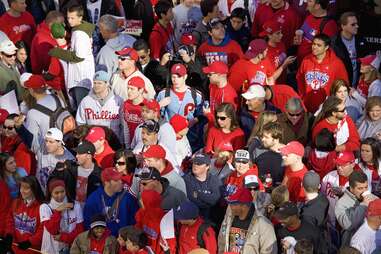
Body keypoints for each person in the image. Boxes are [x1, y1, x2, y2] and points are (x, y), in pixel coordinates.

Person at [297, 34, 349, 113]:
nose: (314, 47)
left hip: (327, 109)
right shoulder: (306, 60)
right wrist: (303, 98)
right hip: (307, 107)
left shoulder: (336, 63)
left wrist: (335, 104)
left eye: (319, 45)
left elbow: (344, 85)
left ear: (326, 47)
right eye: (314, 44)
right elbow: (300, 79)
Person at [218, 187, 277, 253]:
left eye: (234, 204)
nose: (230, 206)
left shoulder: (265, 225)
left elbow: (269, 251)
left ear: (244, 206)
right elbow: (221, 240)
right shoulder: (228, 218)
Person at [83, 167, 139, 236]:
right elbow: (88, 225)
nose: (121, 182)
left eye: (120, 179)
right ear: (107, 182)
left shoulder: (128, 198)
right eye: (116, 180)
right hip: (104, 242)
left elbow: (135, 222)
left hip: (123, 242)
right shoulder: (93, 199)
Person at [59, 5, 95, 110]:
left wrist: (58, 52)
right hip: (82, 75)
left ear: (80, 18)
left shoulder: (80, 34)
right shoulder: (78, 29)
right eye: (68, 17)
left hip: (80, 78)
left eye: (72, 18)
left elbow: (78, 56)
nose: (69, 21)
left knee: (82, 109)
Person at [49, 140, 102, 205]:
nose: (76, 156)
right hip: (70, 209)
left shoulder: (100, 175)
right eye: (76, 153)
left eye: (80, 153)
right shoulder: (68, 166)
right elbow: (52, 179)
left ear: (89, 156)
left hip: (90, 211)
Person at [40, 178, 84, 253]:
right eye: (56, 193)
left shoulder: (75, 205)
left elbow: (80, 229)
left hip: (71, 248)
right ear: (51, 193)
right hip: (51, 250)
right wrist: (58, 211)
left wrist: (64, 237)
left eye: (62, 191)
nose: (60, 195)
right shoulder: (45, 207)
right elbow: (52, 230)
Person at [76, 70, 123, 141]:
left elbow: (123, 125)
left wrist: (122, 142)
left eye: (99, 83)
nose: (96, 86)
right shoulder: (86, 101)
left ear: (107, 84)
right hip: (93, 140)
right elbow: (80, 122)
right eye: (94, 83)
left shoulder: (118, 100)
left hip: (113, 141)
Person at [335, 171, 378, 247]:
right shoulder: (341, 203)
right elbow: (347, 225)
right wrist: (363, 206)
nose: (364, 191)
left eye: (366, 187)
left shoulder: (374, 198)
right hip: (353, 245)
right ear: (351, 188)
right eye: (360, 188)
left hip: (373, 243)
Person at [5, 176, 45, 253]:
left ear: (34, 189)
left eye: (26, 188)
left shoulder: (42, 207)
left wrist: (30, 242)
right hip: (15, 249)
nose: (22, 191)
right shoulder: (16, 202)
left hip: (32, 250)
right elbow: (10, 221)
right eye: (21, 187)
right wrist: (9, 234)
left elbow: (42, 230)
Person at [331, 12, 367, 86]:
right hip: (340, 85)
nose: (357, 26)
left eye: (357, 23)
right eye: (353, 24)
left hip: (357, 85)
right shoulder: (333, 43)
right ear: (343, 26)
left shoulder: (361, 39)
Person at [183, 153, 221, 218]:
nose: (195, 165)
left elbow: (214, 200)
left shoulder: (214, 180)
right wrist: (207, 200)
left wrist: (197, 194)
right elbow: (193, 200)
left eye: (199, 164)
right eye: (194, 163)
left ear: (207, 167)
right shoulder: (186, 179)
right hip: (192, 217)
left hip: (211, 219)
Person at [300, 171, 329, 252]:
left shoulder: (307, 214)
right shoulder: (324, 199)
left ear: (302, 185)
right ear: (319, 186)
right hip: (325, 240)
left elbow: (307, 239)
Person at [250, 122, 285, 187]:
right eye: (263, 136)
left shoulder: (288, 154)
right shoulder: (257, 151)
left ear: (276, 139)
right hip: (259, 191)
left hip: (278, 193)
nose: (263, 139)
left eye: (266, 137)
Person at [121, 76, 146, 149]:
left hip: (143, 145)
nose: (128, 91)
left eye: (132, 89)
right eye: (128, 88)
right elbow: (126, 127)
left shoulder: (147, 106)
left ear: (141, 90)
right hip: (130, 145)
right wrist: (127, 146)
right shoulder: (126, 104)